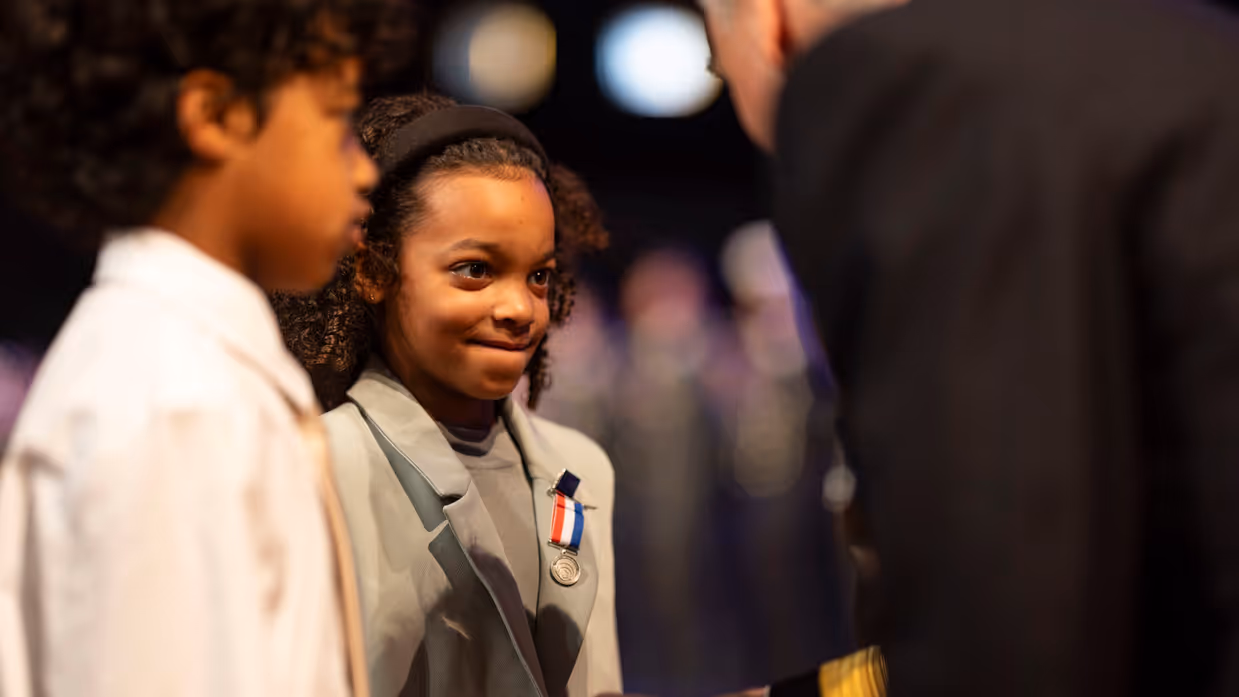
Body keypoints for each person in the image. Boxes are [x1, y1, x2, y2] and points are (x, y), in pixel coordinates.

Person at [700, 0, 1239, 694]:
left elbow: (1012, 587)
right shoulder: (1189, 48)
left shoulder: (919, 85)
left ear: (769, 20)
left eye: (718, 62)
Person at [0, 1, 408, 695]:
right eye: (337, 119)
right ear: (217, 116)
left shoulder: (193, 371)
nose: (364, 171)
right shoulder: (169, 398)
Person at [273, 93, 619, 697]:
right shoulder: (311, 468)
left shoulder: (582, 469)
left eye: (538, 275)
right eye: (475, 270)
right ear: (373, 270)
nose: (519, 309)